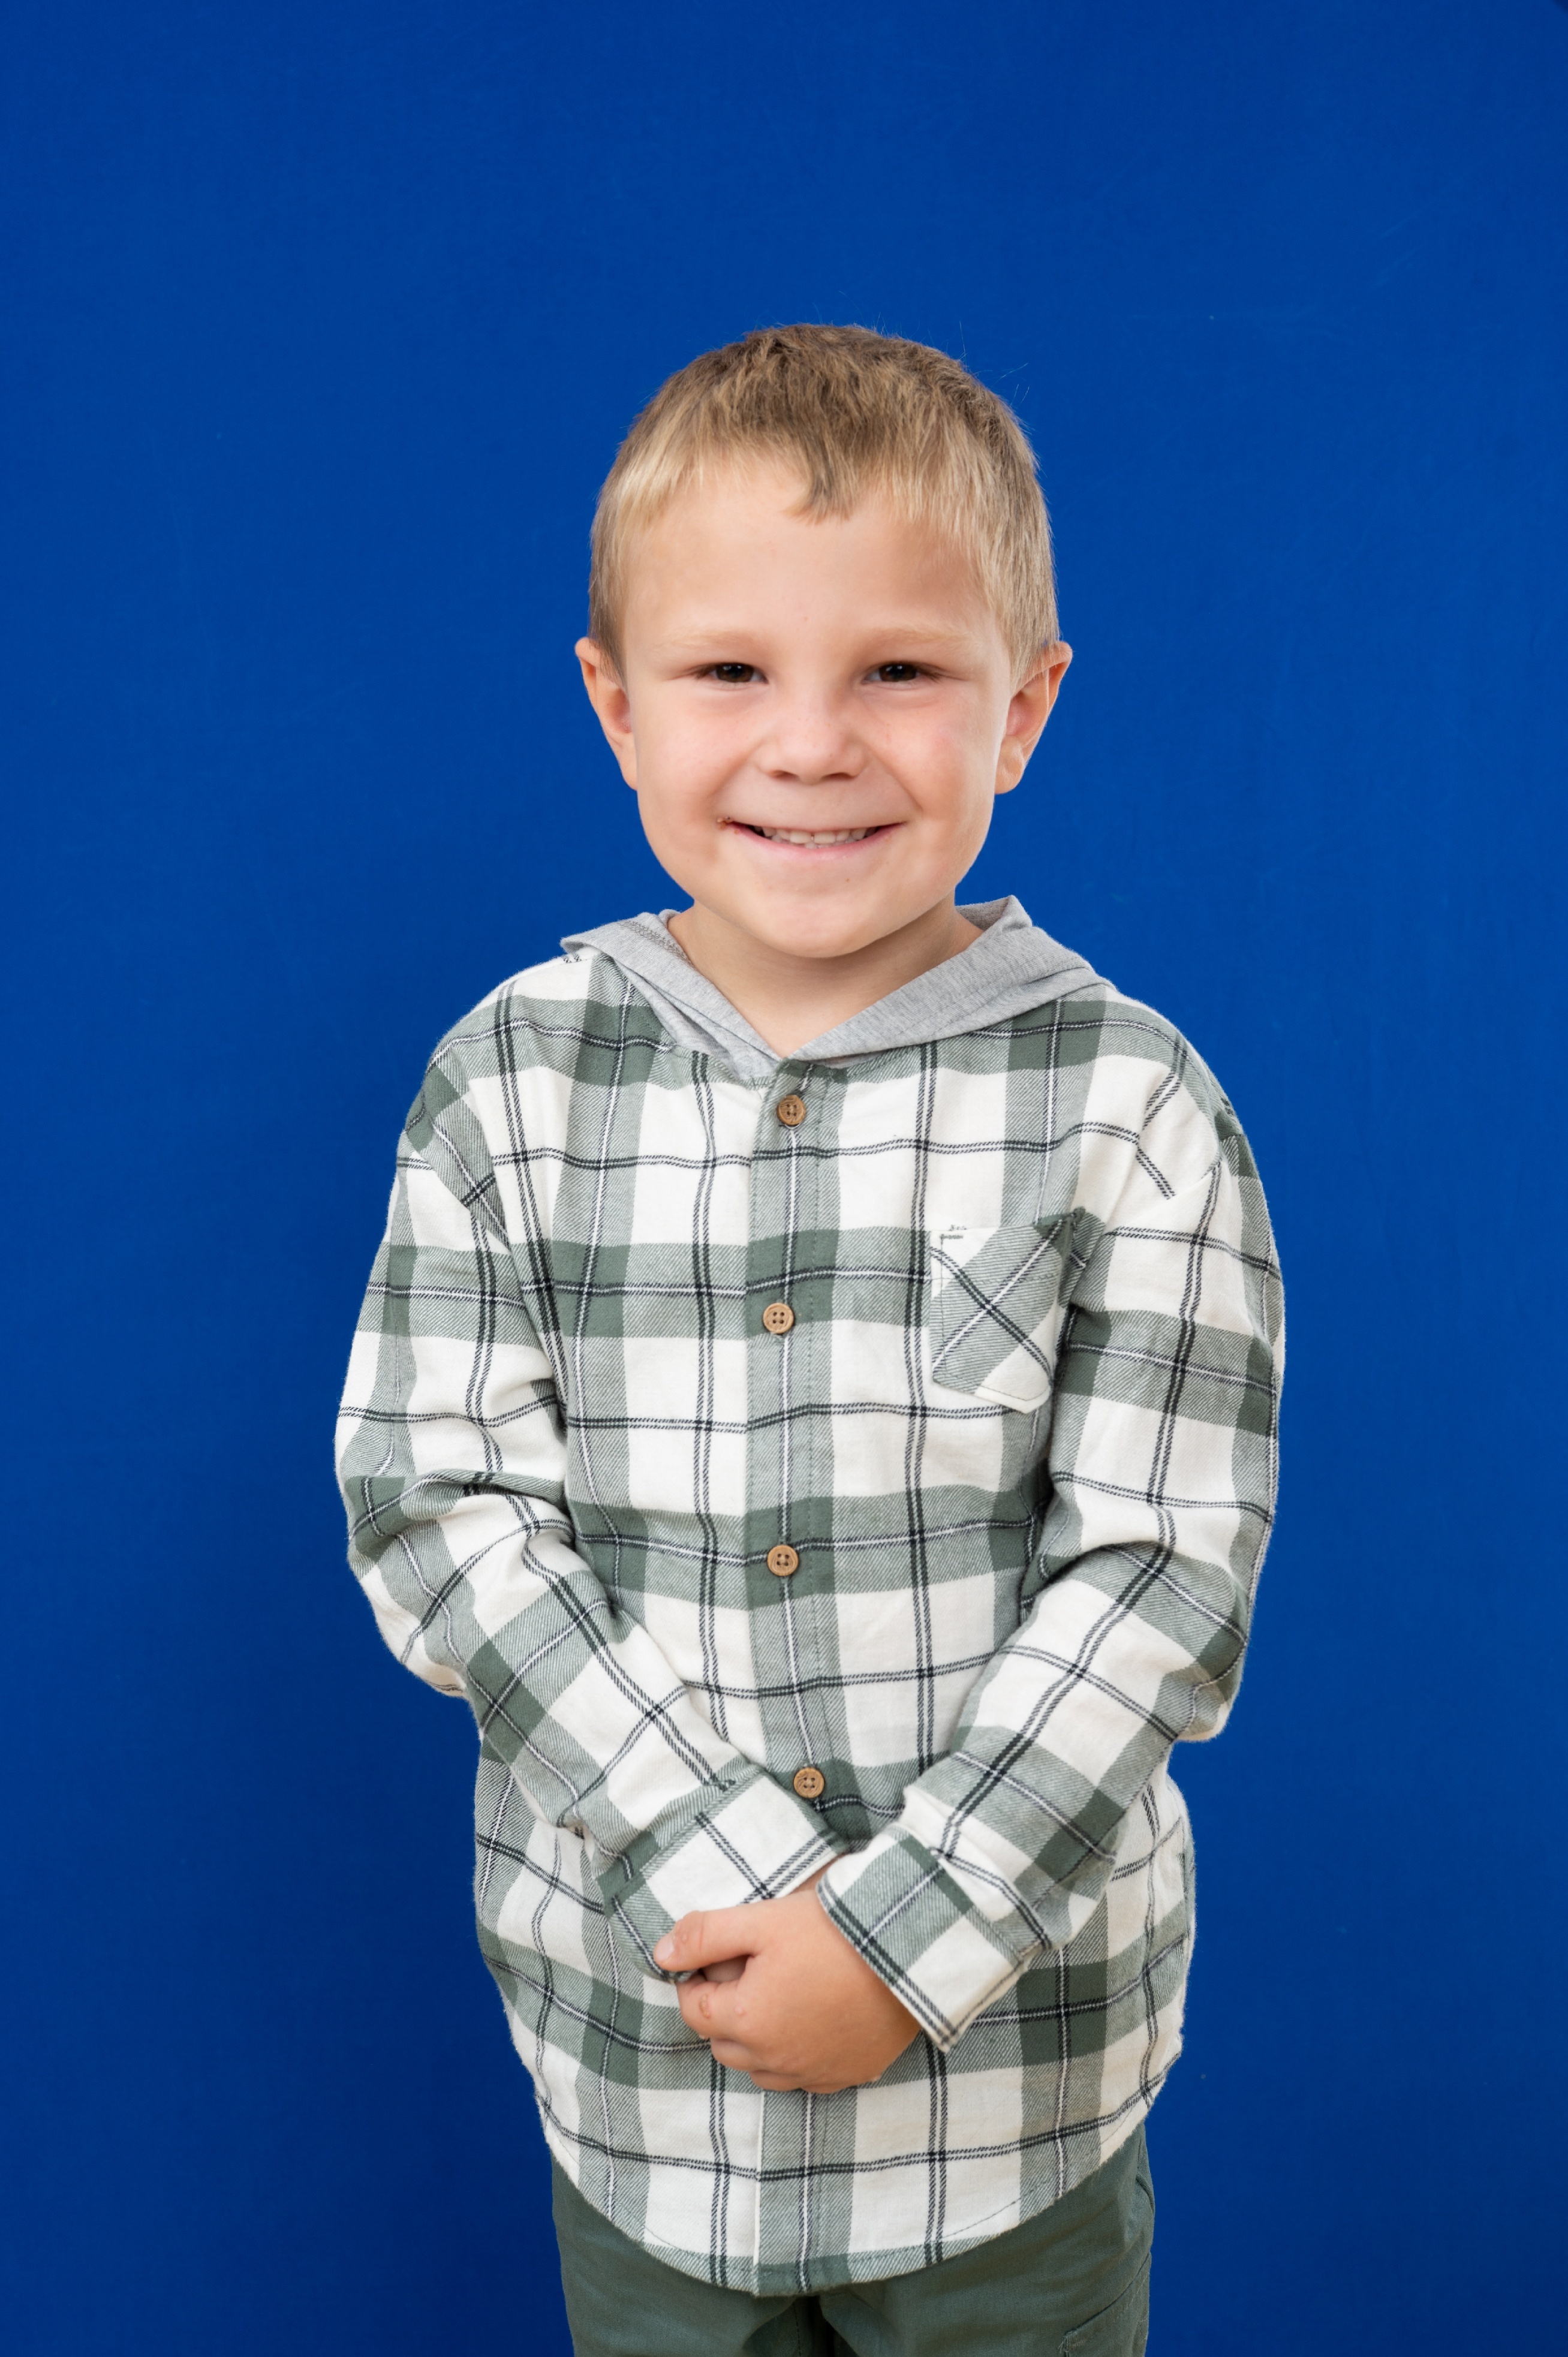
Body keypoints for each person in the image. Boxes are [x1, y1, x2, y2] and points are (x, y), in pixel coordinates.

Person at [335, 324, 1283, 2356]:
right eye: (731, 672)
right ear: (617, 705)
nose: (814, 743)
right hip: (644, 2076)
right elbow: (440, 1507)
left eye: (901, 671)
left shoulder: (1132, 1105)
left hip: (1012, 2101)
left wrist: (896, 1934)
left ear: (1022, 707)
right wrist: (737, 1874)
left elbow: (1159, 1572)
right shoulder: (509, 1081)